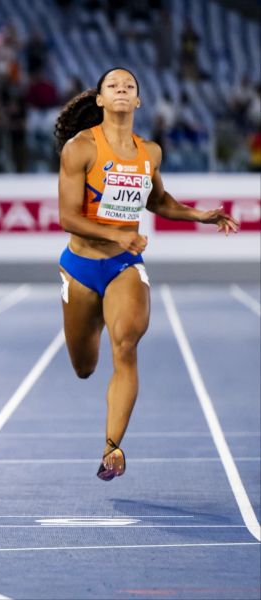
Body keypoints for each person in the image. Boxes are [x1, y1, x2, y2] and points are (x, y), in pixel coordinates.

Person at [54, 67, 238, 481]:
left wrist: (198, 215)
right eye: (112, 85)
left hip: (125, 267)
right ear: (100, 99)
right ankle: (95, 318)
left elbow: (157, 199)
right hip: (82, 268)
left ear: (137, 101)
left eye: (129, 85)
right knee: (84, 367)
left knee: (126, 345)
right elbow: (67, 216)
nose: (121, 88)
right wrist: (115, 236)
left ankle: (112, 447)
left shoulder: (149, 152)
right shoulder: (79, 149)